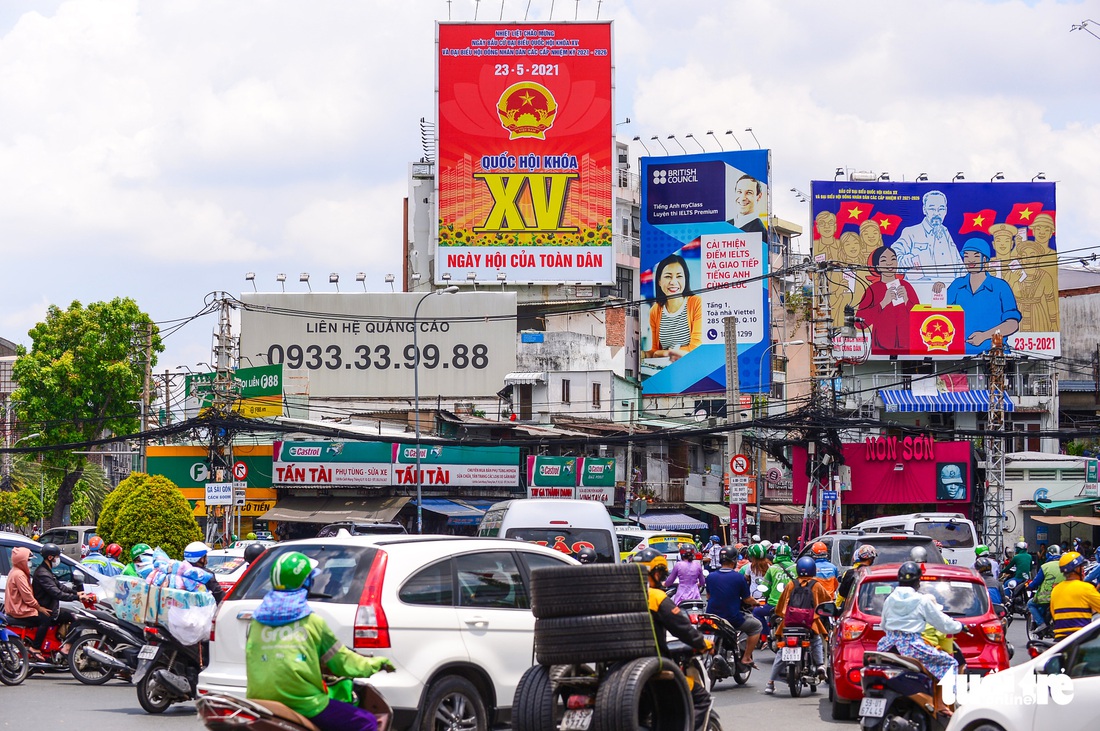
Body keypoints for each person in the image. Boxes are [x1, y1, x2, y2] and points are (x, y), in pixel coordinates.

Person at [246, 551, 395, 731]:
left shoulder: (256, 622)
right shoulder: (312, 622)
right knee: (368, 722)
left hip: (259, 702)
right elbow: (343, 662)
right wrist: (376, 663)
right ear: (306, 582)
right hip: (303, 703)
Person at [630, 548, 713, 731]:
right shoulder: (656, 597)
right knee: (701, 699)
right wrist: (702, 643)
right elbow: (682, 628)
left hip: (623, 668)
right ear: (656, 572)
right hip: (653, 667)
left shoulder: (620, 596)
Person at [877, 562, 963, 717]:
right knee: (950, 663)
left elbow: (883, 624)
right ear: (918, 581)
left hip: (887, 645)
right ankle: (943, 705)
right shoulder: (921, 600)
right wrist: (959, 626)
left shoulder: (890, 599)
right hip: (911, 646)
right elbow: (943, 623)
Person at [764, 556, 831, 694]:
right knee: (816, 641)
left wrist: (780, 614)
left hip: (789, 624)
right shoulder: (817, 585)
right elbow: (827, 601)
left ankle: (770, 683)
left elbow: (781, 604)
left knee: (782, 651)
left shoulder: (791, 584)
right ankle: (820, 665)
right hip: (809, 624)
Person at [946, 238, 1022, 354]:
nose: (970, 260)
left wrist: (984, 336)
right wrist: (939, 292)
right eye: (966, 256)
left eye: (976, 256)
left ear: (985, 259)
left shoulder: (1001, 287)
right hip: (958, 356)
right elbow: (941, 315)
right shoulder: (957, 285)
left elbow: (1012, 323)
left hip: (994, 356)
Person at [893, 190, 962, 290]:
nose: (937, 213)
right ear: (924, 210)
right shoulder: (911, 232)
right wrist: (907, 260)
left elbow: (959, 266)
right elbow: (893, 256)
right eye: (932, 209)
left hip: (949, 291)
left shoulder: (945, 232)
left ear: (946, 210)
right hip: (920, 290)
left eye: (941, 209)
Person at [857, 246, 919, 355]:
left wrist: (907, 301)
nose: (889, 263)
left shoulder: (906, 286)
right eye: (884, 260)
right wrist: (883, 303)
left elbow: (919, 318)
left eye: (893, 259)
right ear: (877, 267)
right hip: (881, 347)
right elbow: (860, 323)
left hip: (907, 347)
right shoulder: (873, 289)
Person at [705, 545, 761, 667]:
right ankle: (746, 657)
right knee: (756, 626)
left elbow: (708, 596)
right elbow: (747, 599)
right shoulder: (738, 577)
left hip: (711, 617)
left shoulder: (710, 576)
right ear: (734, 561)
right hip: (731, 618)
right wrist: (756, 602)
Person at [645, 253, 703, 361]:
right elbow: (655, 351)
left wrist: (664, 353)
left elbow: (695, 349)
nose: (673, 282)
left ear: (686, 279)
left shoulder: (696, 303)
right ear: (659, 281)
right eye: (668, 276)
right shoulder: (655, 311)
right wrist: (642, 354)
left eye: (679, 276)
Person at [32, 542, 87, 655]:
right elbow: (57, 593)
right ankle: (63, 647)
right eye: (57, 557)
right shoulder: (43, 573)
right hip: (47, 610)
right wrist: (76, 597)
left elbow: (60, 586)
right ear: (50, 557)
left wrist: (78, 593)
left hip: (51, 608)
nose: (58, 559)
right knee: (77, 619)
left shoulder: (47, 571)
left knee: (74, 616)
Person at [3, 546, 52, 659]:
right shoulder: (19, 575)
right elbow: (28, 598)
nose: (30, 563)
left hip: (16, 608)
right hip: (19, 610)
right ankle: (35, 647)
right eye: (28, 560)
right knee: (45, 618)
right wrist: (39, 608)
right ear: (22, 561)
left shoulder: (16, 571)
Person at [1050, 551, 1100, 641]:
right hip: (1080, 639)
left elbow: (1054, 615)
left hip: (1059, 640)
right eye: (1082, 567)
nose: (1084, 571)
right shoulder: (1086, 588)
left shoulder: (1056, 590)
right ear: (1077, 569)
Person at [760, 544, 798, 639]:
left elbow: (765, 588)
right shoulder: (796, 567)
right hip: (793, 604)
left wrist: (767, 595)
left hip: (774, 605)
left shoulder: (772, 569)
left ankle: (767, 633)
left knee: (756, 612)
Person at [1024, 544, 1064, 633]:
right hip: (1062, 597)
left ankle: (1041, 623)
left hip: (1046, 598)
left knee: (1030, 604)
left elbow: (1036, 582)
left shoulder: (1045, 566)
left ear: (1049, 554)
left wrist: (1030, 586)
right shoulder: (1064, 565)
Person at [836, 544, 877, 609]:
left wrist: (836, 608)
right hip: (871, 609)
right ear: (870, 559)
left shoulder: (849, 573)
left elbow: (841, 594)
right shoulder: (873, 573)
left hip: (849, 608)